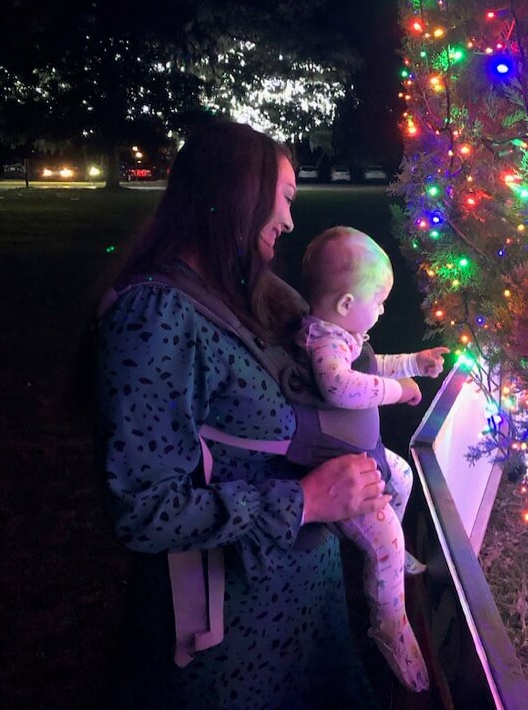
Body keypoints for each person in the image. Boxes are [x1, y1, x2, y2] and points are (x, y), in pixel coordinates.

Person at [94, 120, 391, 710]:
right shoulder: (155, 316)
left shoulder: (253, 292)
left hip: (298, 612)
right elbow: (143, 509)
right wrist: (304, 502)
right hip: (230, 642)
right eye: (283, 198)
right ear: (237, 193)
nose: (288, 220)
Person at [295, 226, 448, 693]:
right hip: (343, 473)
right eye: (378, 300)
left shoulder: (345, 336)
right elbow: (340, 386)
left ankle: (396, 556)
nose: (383, 310)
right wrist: (398, 392)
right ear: (345, 304)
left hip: (366, 454)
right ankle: (390, 625)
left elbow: (370, 367)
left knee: (401, 474)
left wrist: (412, 363)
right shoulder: (324, 345)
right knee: (382, 541)